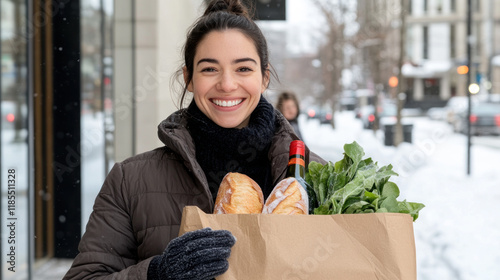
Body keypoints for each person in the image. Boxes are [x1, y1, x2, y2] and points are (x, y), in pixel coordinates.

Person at [64, 0, 325, 279]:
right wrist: (157, 273)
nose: (226, 84)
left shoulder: (318, 178)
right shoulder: (130, 181)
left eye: (243, 69)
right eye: (209, 69)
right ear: (189, 78)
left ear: (264, 77)